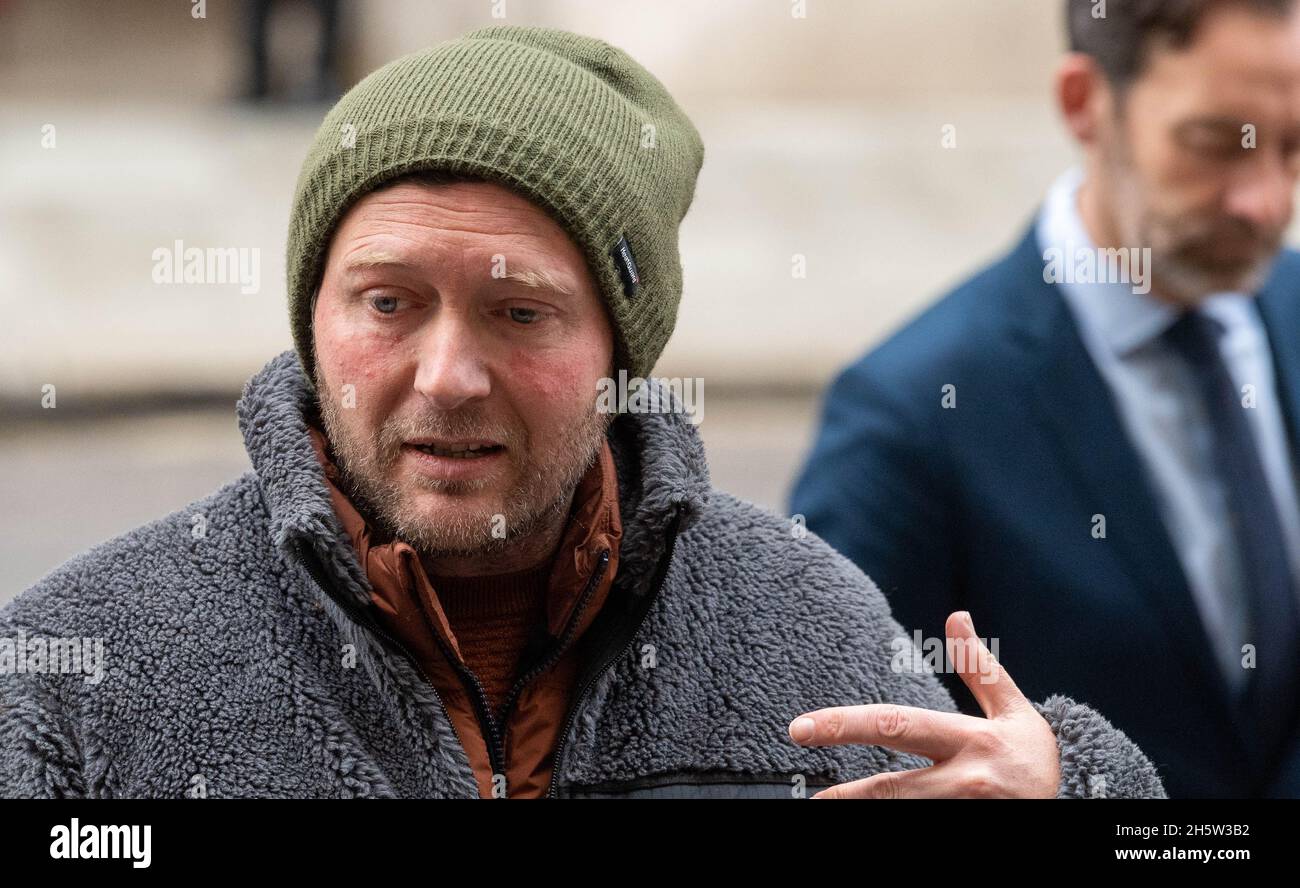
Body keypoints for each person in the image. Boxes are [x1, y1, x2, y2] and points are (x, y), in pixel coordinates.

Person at [0, 26, 1163, 799]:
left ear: (622, 350)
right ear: (313, 320)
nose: (446, 375)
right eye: (388, 302)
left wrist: (1076, 795)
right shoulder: (73, 678)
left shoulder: (808, 630)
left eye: (519, 313)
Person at [791, 0, 1300, 797]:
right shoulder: (912, 412)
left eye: (1295, 147)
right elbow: (827, 753)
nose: (1264, 201)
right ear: (1084, 102)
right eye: (1213, 144)